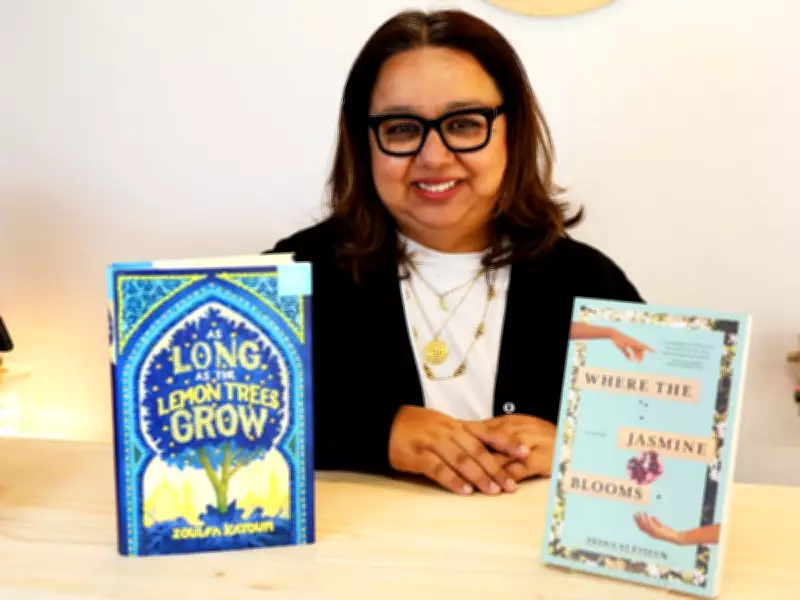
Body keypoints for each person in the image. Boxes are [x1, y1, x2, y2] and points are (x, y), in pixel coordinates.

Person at [266, 9, 644, 496]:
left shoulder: (590, 285)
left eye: (464, 124)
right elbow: (212, 434)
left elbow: (671, 453)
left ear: (513, 132)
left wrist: (582, 449)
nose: (434, 156)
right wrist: (377, 434)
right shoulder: (292, 280)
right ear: (364, 144)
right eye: (401, 128)